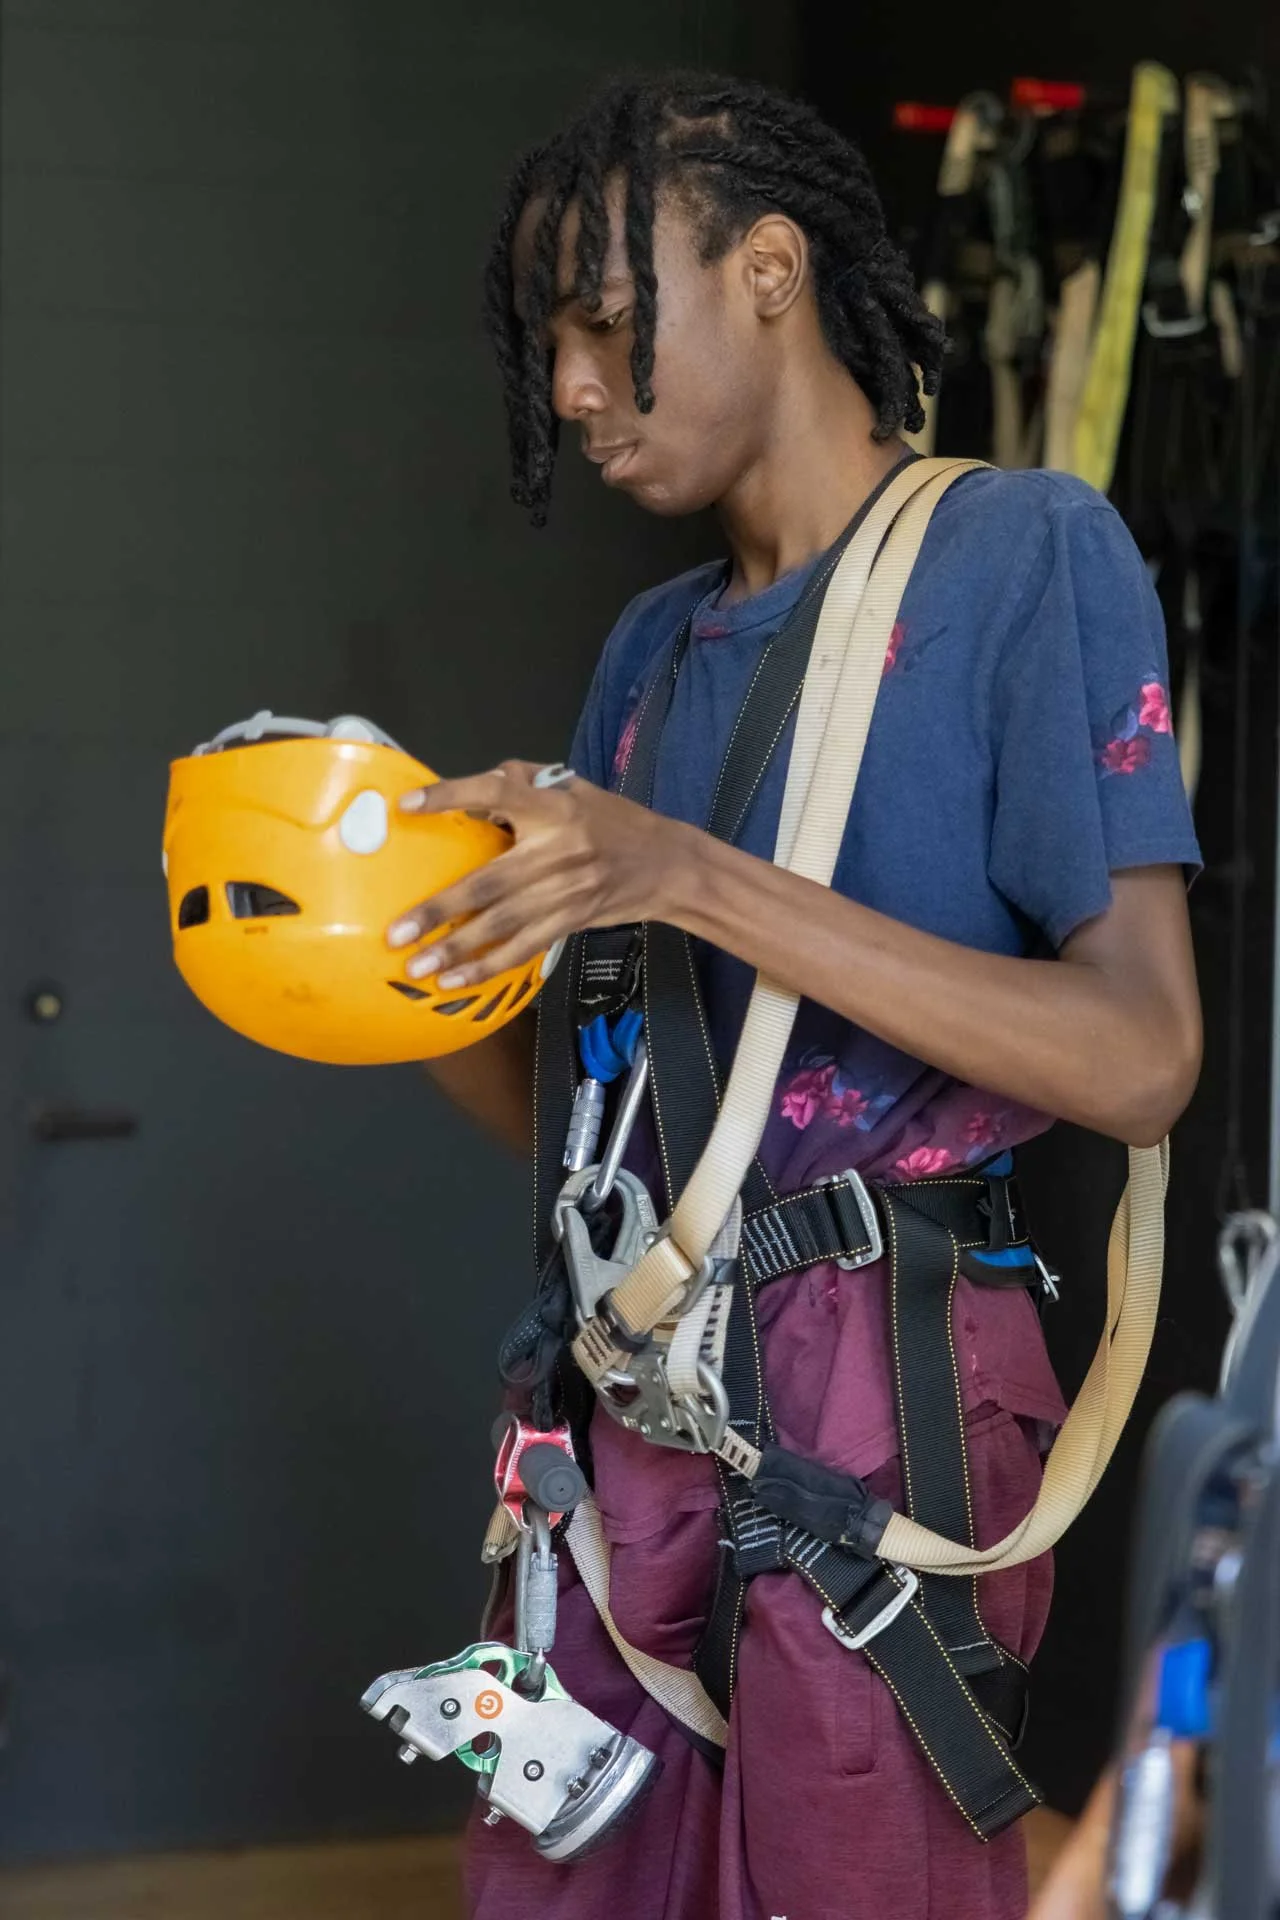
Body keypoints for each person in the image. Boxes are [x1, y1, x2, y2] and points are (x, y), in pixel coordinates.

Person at [384, 73, 1203, 1920]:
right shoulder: (651, 654)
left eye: (601, 326)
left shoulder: (1026, 558)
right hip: (631, 1393)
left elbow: (1146, 1057)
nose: (572, 392)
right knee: (568, 1886)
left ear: (767, 267)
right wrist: (394, 974)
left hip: (883, 1405)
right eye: (551, 352)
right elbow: (588, 1121)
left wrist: (687, 875)